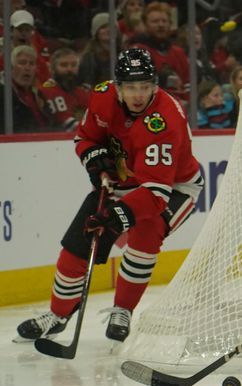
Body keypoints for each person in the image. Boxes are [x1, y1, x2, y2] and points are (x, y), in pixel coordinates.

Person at [15, 49, 203, 344]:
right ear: (117, 87)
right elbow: (84, 137)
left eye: (144, 87)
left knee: (146, 232)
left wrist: (118, 215)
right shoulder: (102, 97)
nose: (138, 95)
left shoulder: (163, 121)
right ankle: (58, 315)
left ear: (155, 85)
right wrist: (94, 156)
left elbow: (155, 194)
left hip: (173, 189)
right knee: (77, 247)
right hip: (119, 183)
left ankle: (123, 310)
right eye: (130, 87)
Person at [0, 45, 51, 133]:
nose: (27, 68)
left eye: (32, 63)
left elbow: (51, 122)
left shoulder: (39, 94)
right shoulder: (3, 93)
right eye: (22, 63)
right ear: (11, 67)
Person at [39, 47, 90, 131]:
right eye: (64, 65)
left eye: (73, 65)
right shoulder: (47, 90)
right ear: (52, 69)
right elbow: (66, 123)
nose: (69, 69)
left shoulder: (83, 92)